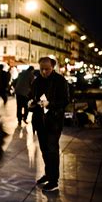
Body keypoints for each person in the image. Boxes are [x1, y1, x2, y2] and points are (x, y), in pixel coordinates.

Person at [29, 57, 69, 192]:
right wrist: (30, 104)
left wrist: (50, 104)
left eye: (47, 69)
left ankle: (54, 180)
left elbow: (65, 101)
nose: (44, 72)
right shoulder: (36, 81)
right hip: (40, 121)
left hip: (54, 122)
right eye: (41, 69)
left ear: (53, 67)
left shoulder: (60, 81)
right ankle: (48, 174)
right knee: (44, 149)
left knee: (52, 150)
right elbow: (31, 97)